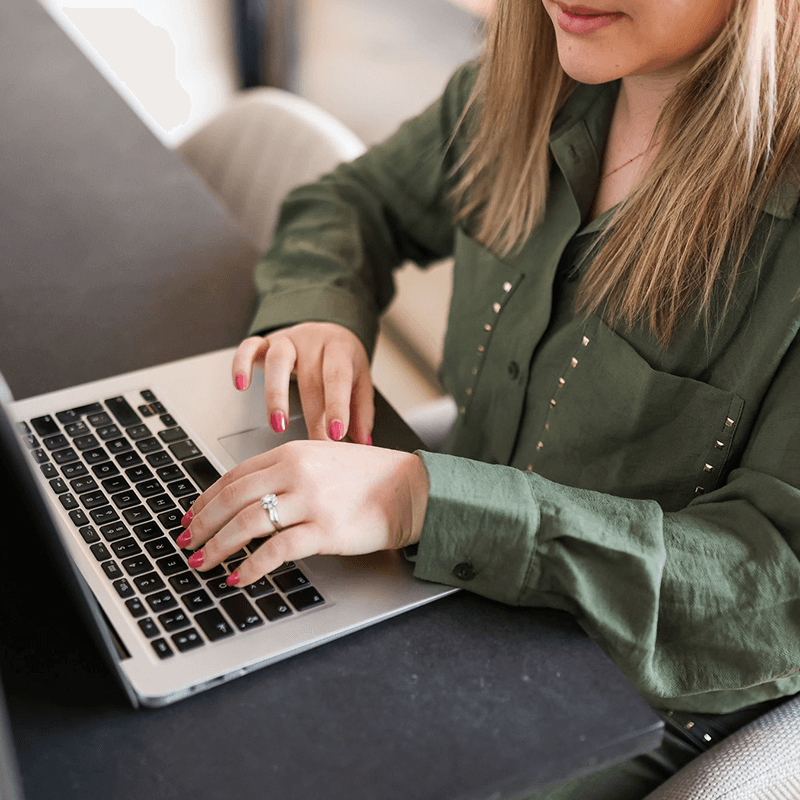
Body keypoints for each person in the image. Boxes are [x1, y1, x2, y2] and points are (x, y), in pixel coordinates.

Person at [176, 0, 800, 795]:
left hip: (617, 698)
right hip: (442, 595)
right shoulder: (528, 86)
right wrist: (319, 310)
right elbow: (353, 203)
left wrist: (426, 503)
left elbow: (772, 586)